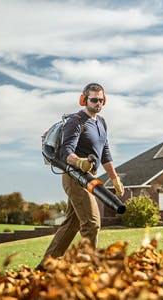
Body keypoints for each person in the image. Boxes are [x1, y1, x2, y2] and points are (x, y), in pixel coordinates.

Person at [36, 83, 124, 270]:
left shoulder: (101, 122)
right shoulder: (76, 122)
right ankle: (88, 270)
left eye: (101, 100)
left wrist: (115, 178)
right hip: (75, 176)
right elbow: (66, 151)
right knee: (92, 224)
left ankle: (45, 267)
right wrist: (80, 162)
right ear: (84, 99)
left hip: (90, 176)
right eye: (93, 100)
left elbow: (105, 152)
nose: (98, 103)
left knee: (71, 224)